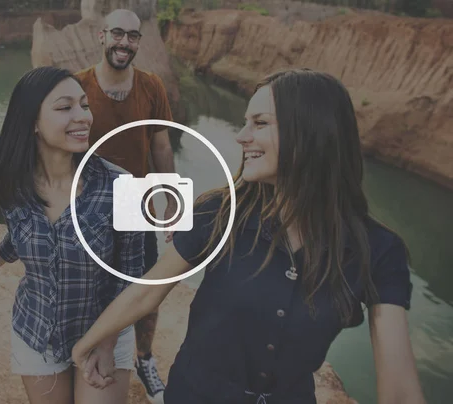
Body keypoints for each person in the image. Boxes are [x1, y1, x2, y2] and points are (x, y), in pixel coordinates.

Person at [71, 68, 427, 403]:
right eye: (245, 123)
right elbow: (148, 289)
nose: (242, 136)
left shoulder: (379, 251)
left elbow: (399, 388)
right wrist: (94, 340)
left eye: (259, 123)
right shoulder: (218, 211)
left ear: (310, 131)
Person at [0, 66, 145, 404]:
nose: (83, 116)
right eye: (64, 107)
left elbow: (131, 276)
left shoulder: (123, 185)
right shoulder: (12, 184)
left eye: (84, 105)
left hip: (104, 331)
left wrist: (107, 341)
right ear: (33, 123)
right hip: (36, 332)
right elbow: (21, 234)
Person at [74, 9, 176, 403]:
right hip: (87, 203)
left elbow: (162, 146)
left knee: (146, 290)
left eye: (133, 36)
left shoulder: (151, 87)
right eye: (118, 34)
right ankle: (85, 353)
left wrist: (172, 204)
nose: (124, 43)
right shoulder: (79, 86)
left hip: (136, 202)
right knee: (89, 286)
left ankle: (144, 358)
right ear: (102, 36)